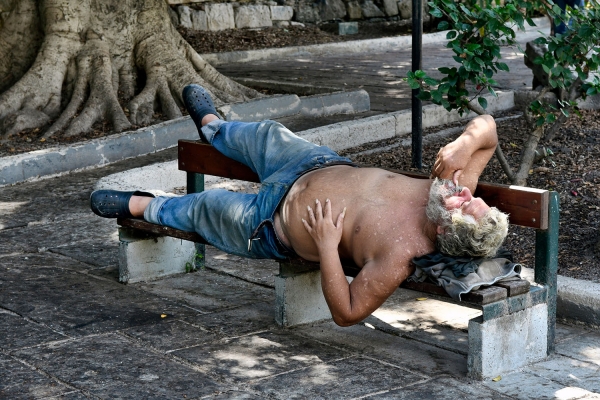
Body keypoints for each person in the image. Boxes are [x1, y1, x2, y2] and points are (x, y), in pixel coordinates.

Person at [91, 84, 508, 327]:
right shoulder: (449, 186)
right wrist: (463, 144)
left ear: (443, 230)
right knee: (267, 133)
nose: (467, 194)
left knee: (208, 208)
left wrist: (328, 246)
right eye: (477, 199)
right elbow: (487, 127)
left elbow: (348, 313)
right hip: (312, 164)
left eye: (465, 205)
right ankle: (212, 127)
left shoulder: (400, 254)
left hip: (269, 224)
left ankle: (141, 206)